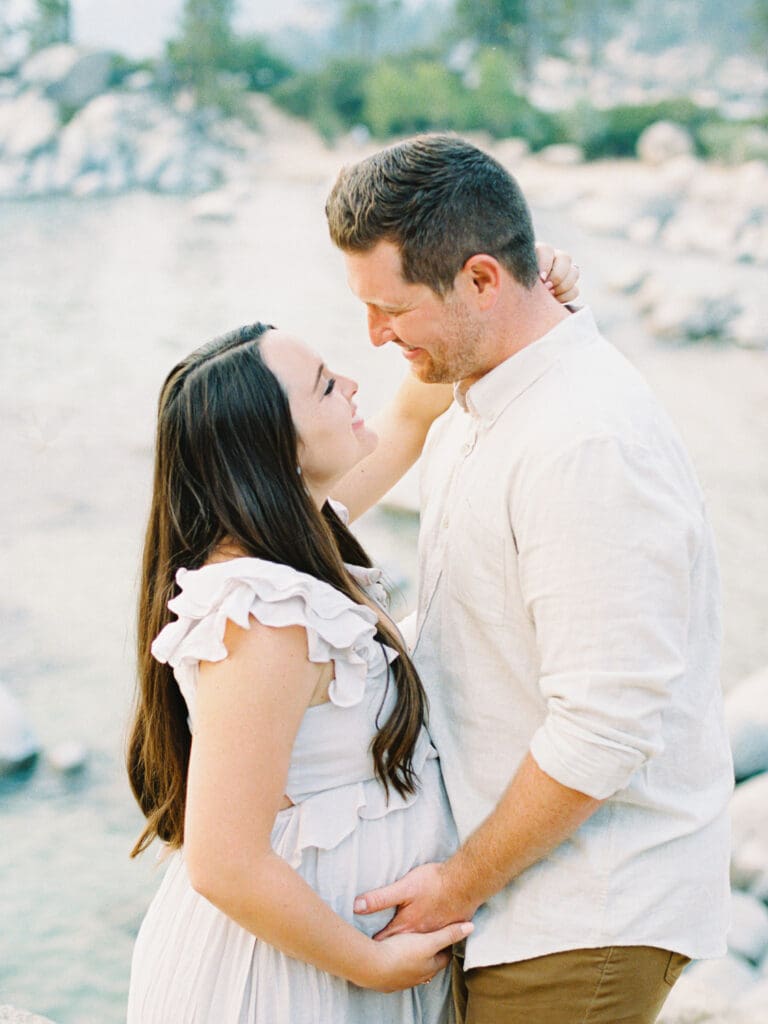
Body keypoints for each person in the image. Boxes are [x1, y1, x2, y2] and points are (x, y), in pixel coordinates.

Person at [325, 134, 733, 1024]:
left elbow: (606, 726)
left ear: (479, 281)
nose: (374, 335)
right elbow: (381, 442)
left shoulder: (585, 444)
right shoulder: (488, 381)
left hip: (581, 914)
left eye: (390, 308)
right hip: (517, 903)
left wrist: (456, 884)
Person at [126, 246, 577, 1024]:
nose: (355, 384)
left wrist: (511, 301)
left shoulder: (293, 543)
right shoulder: (263, 612)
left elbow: (408, 413)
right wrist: (367, 963)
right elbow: (222, 863)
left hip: (326, 961)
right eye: (327, 386)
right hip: (288, 978)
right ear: (274, 446)